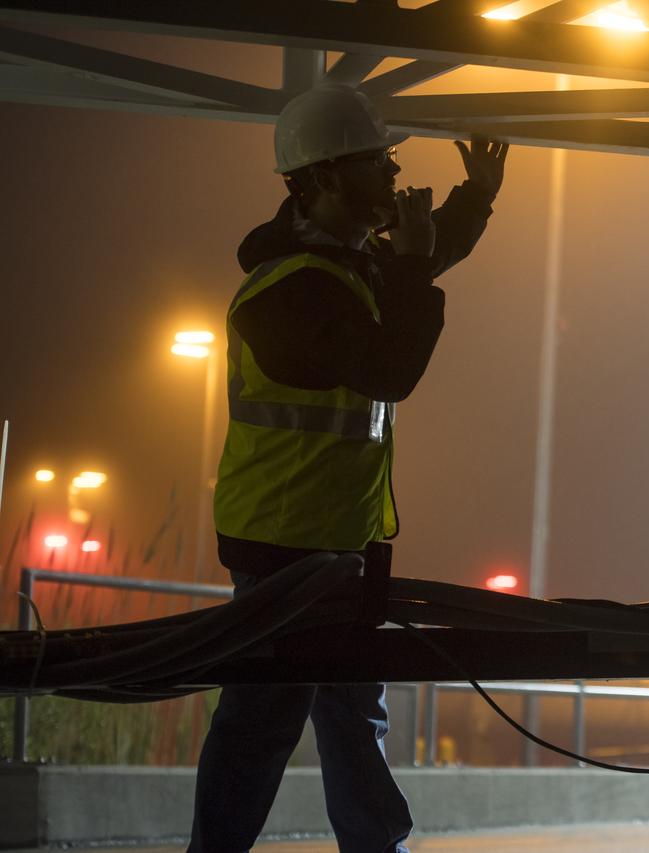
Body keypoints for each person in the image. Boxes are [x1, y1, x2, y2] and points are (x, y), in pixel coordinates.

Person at [188, 83, 507, 853]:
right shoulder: (289, 293)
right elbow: (389, 367)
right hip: (283, 550)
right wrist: (413, 262)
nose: (396, 177)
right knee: (262, 723)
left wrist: (478, 196)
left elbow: (426, 256)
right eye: (378, 163)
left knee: (353, 713)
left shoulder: (346, 265)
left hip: (340, 545)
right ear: (324, 179)